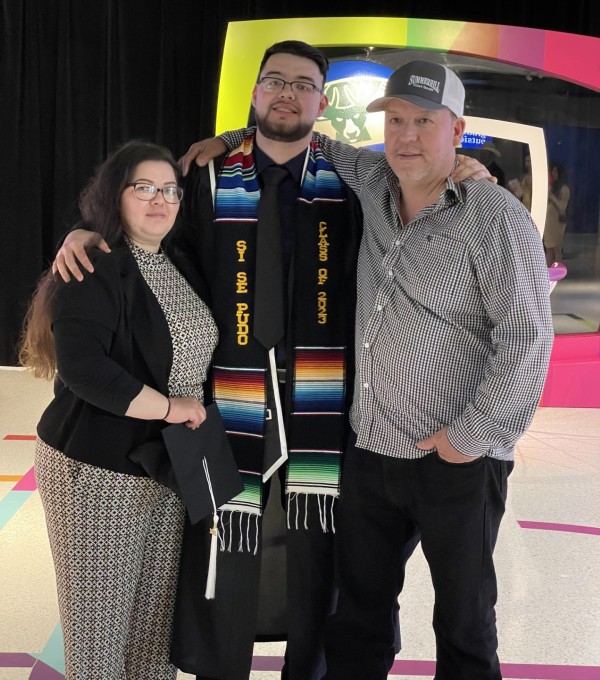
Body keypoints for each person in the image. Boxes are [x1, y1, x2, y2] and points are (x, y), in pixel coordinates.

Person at [52, 43, 492, 680]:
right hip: (222, 395)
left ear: (323, 100)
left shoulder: (356, 181)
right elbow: (142, 232)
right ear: (255, 93)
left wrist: (469, 166)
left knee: (320, 556)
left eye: (304, 85)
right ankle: (217, 665)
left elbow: (427, 172)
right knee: (222, 548)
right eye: (275, 81)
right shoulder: (201, 177)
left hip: (326, 396)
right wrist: (86, 231)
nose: (288, 94)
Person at [19, 140, 218, 679]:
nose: (161, 200)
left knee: (153, 640)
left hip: (165, 467)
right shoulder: (94, 263)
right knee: (99, 639)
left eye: (170, 190)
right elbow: (83, 370)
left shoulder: (177, 262)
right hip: (95, 470)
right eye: (144, 188)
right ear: (116, 195)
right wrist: (170, 408)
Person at [543, 163, 571, 265]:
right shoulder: (552, 187)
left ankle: (558, 270)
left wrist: (552, 197)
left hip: (557, 222)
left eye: (555, 171)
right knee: (549, 247)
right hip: (549, 221)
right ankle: (548, 271)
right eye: (552, 171)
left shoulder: (564, 189)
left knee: (556, 248)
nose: (553, 173)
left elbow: (562, 207)